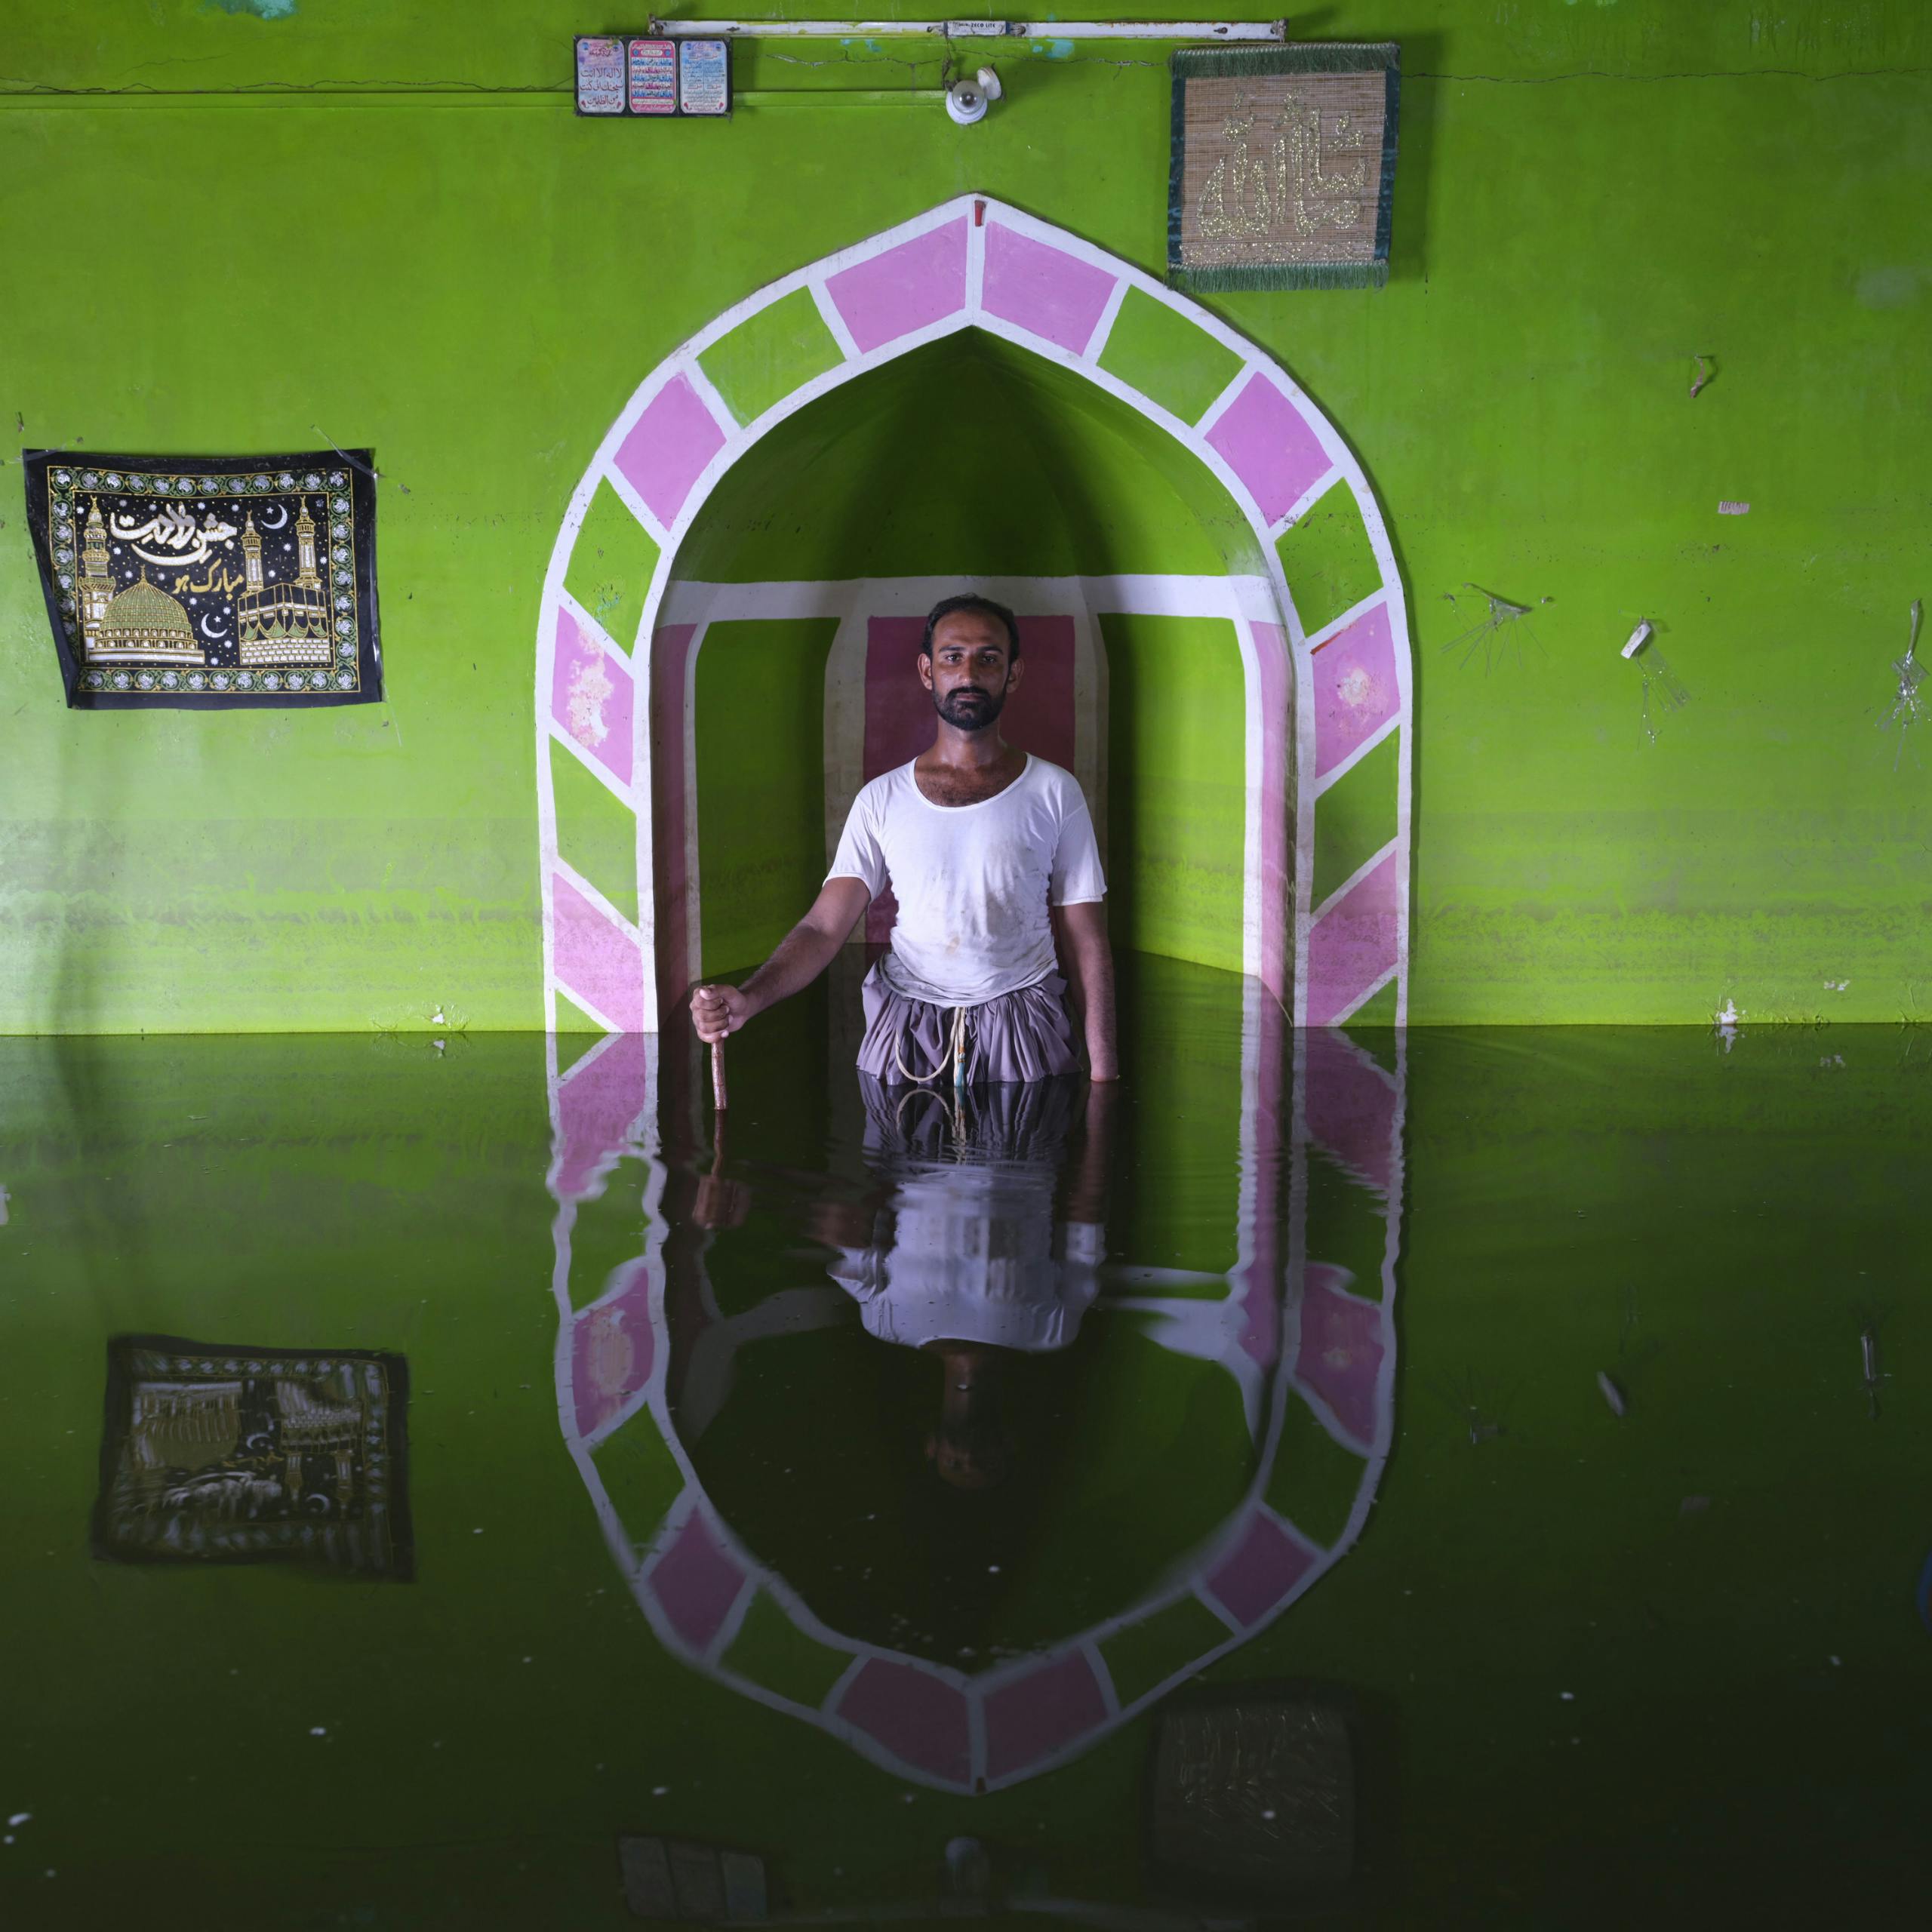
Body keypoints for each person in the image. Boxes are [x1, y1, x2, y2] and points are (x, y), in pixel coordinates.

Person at [690, 593, 1118, 1083]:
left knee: (1031, 1151)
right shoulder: (882, 800)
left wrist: (1104, 1075)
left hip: (1024, 1033)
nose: (970, 674)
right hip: (906, 1038)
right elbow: (823, 929)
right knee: (901, 1156)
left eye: (989, 658)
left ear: (1013, 674)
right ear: (927, 671)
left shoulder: (1054, 792)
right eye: (952, 657)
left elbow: (1086, 937)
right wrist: (749, 999)